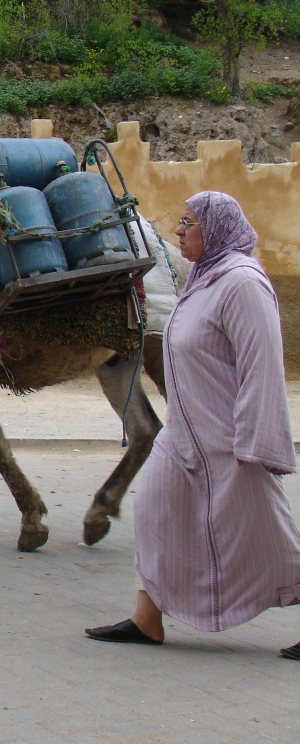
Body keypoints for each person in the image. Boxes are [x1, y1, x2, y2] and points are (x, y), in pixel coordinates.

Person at [85, 191, 300, 662]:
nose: (178, 231)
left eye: (188, 223)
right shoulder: (203, 279)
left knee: (265, 533)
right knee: (154, 512)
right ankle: (147, 618)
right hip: (183, 436)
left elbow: (262, 364)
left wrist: (257, 439)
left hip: (229, 438)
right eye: (180, 222)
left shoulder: (243, 283)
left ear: (217, 229)